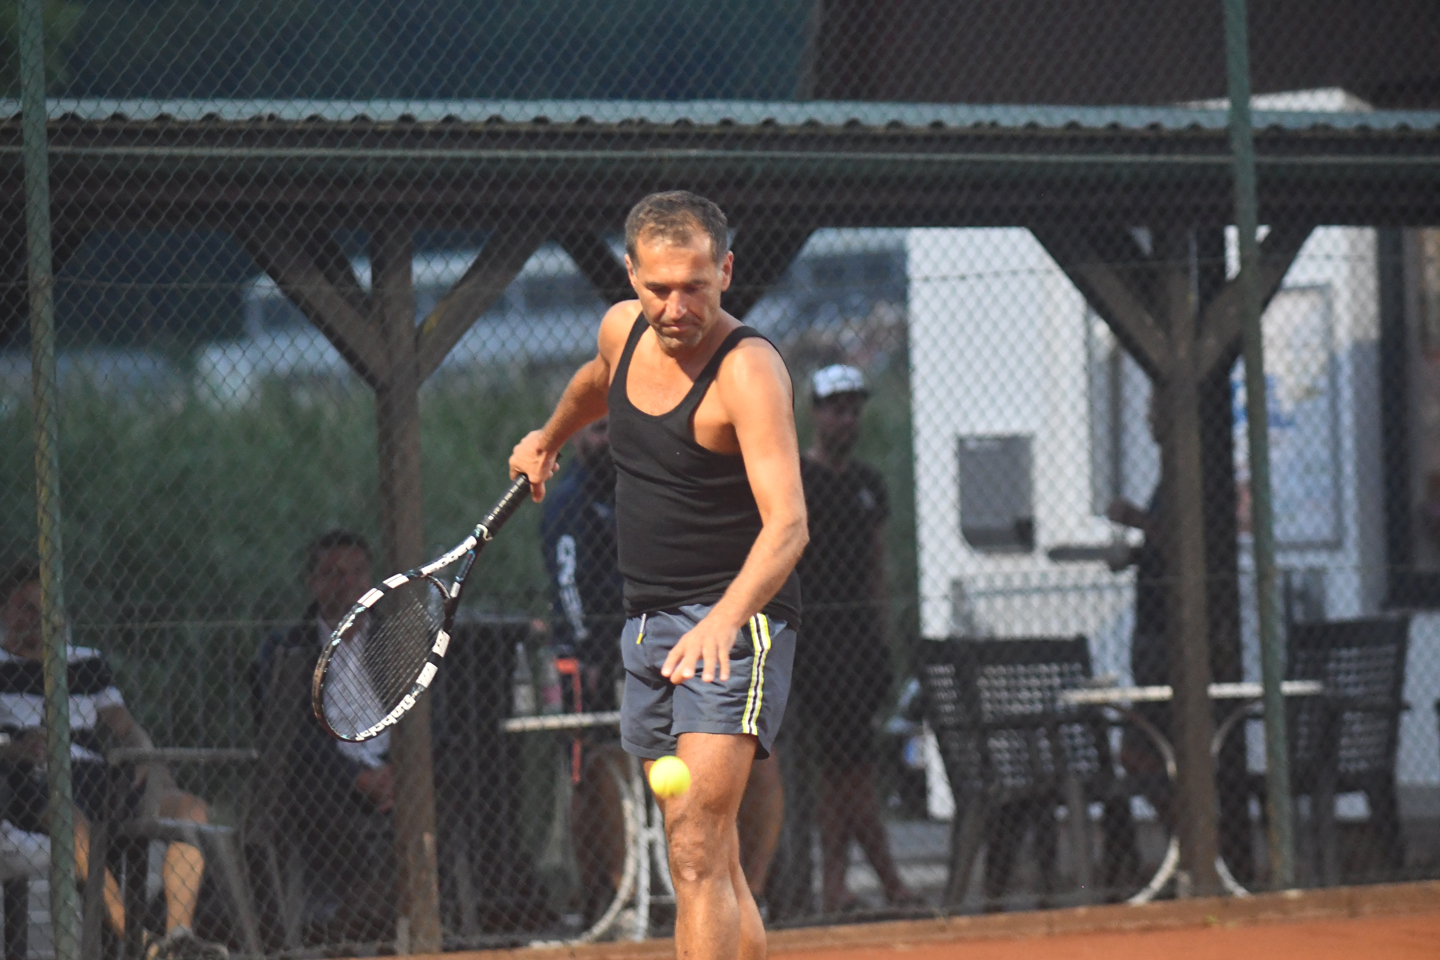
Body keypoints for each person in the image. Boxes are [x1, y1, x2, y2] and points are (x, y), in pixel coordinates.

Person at [511, 190, 806, 960]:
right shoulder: (623, 329)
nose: (677, 307)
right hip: (647, 625)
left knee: (696, 849)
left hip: (735, 625)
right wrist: (549, 437)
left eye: (696, 287)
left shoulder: (748, 373)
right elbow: (596, 378)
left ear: (726, 272)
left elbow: (788, 525)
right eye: (659, 288)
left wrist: (723, 621)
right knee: (710, 858)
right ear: (632, 276)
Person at [540, 418, 786, 921]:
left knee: (755, 755)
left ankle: (751, 894)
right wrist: (596, 652)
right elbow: (569, 591)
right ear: (576, 437)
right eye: (596, 430)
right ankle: (614, 897)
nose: (607, 440)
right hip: (593, 657)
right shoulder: (570, 502)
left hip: (678, 647)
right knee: (595, 768)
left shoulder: (654, 490)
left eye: (614, 429)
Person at [0, 560, 227, 960]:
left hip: (97, 775)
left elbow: (125, 727)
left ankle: (178, 935)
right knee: (74, 826)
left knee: (190, 808)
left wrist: (146, 757)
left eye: (46, 607)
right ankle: (142, 943)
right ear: (4, 611)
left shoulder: (86, 662)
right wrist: (18, 748)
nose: (38, 618)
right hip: (32, 782)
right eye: (25, 607)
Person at [793, 365, 918, 912]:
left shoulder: (868, 484)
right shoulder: (797, 478)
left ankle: (842, 886)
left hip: (859, 645)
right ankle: (873, 882)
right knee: (844, 771)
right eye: (836, 409)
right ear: (816, 413)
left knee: (849, 770)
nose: (846, 419)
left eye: (853, 409)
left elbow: (875, 568)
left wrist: (882, 641)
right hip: (815, 646)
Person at [251, 531, 395, 940]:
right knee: (305, 787)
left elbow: (430, 717)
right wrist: (356, 778)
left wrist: (399, 772)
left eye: (357, 572)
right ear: (313, 582)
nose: (347, 582)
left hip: (397, 772)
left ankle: (354, 915)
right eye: (333, 573)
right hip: (331, 778)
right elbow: (286, 732)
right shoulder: (286, 647)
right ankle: (368, 903)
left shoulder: (397, 640)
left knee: (449, 779)